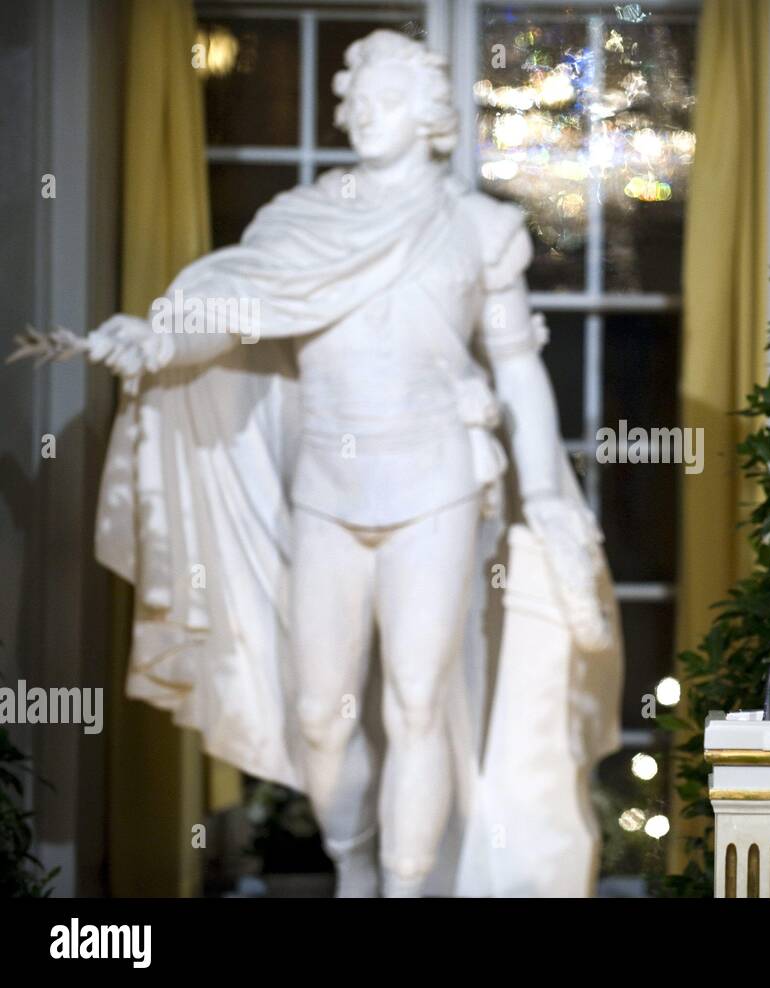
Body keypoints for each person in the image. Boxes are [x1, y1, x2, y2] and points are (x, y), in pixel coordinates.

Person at [83, 29, 620, 896]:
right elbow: (241, 309)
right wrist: (159, 338)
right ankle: (356, 869)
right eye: (357, 99)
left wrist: (550, 494)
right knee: (320, 718)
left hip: (437, 483)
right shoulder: (301, 223)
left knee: (416, 701)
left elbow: (517, 366)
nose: (365, 114)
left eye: (387, 99)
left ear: (429, 114)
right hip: (326, 489)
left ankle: (403, 890)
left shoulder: (478, 228)